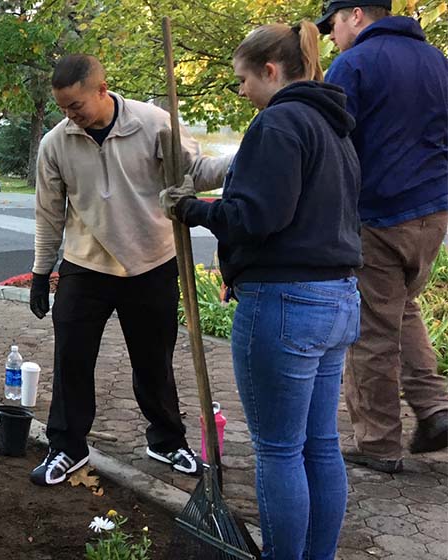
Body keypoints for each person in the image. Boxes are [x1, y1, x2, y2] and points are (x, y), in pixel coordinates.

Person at [161, 20, 361, 560]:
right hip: (338, 298)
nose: (242, 91)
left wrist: (193, 209)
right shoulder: (333, 126)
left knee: (278, 450)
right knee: (320, 445)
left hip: (287, 305)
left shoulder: (278, 124)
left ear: (271, 70)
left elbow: (257, 216)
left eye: (243, 79)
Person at [27, 54, 229, 487]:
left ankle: (166, 440)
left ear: (101, 90)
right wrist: (42, 272)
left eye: (75, 106)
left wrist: (249, 157)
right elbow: (48, 214)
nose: (70, 117)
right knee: (72, 360)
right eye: (62, 108)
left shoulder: (153, 123)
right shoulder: (56, 143)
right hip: (86, 265)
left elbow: (196, 173)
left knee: (154, 360)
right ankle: (67, 447)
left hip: (152, 261)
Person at [317, 0, 448, 472]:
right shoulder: (437, 60)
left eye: (331, 24)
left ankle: (378, 445)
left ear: (355, 14)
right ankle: (435, 410)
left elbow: (329, 143)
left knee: (371, 329)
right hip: (433, 213)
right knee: (401, 307)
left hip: (380, 214)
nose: (331, 36)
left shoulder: (353, 63)